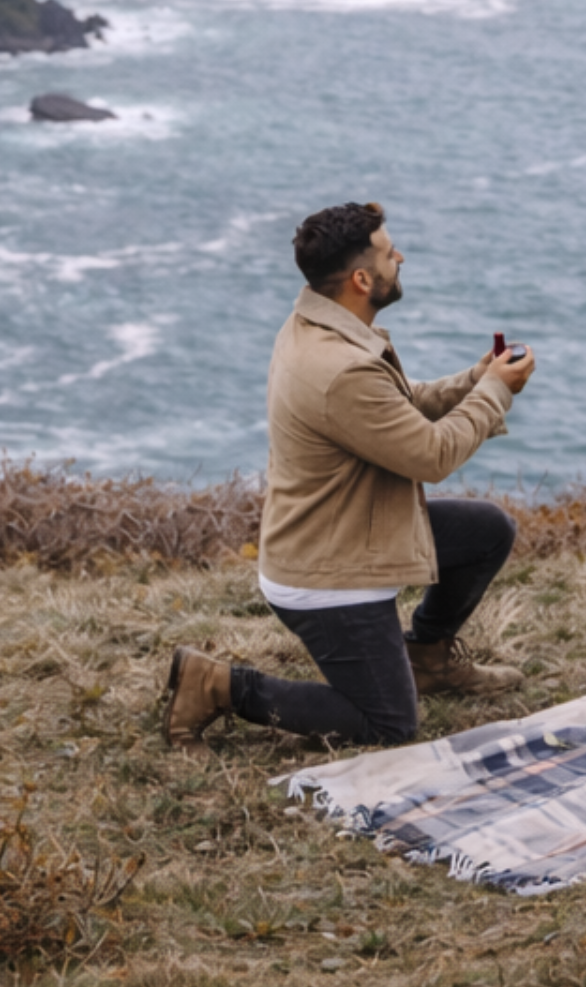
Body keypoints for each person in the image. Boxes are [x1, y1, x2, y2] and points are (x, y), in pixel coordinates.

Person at [164, 200, 534, 752]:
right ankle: (218, 685)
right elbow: (431, 455)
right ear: (362, 278)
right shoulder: (342, 369)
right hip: (327, 574)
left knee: (486, 531)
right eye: (389, 252)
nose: (400, 256)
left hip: (347, 532)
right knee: (388, 726)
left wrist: (475, 379)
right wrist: (496, 392)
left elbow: (395, 409)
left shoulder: (318, 326)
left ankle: (427, 658)